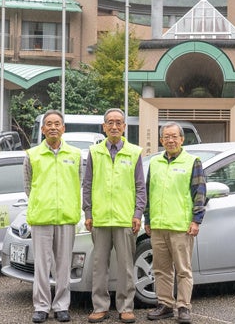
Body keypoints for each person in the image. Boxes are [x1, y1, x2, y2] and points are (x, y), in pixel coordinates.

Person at [82, 108, 146, 324]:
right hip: (99, 218)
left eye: (119, 122)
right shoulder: (94, 151)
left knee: (126, 266)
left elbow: (140, 187)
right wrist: (88, 212)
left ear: (124, 126)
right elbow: (87, 184)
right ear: (104, 126)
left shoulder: (134, 152)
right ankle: (100, 307)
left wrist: (138, 213)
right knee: (100, 266)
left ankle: (126, 307)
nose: (114, 126)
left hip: (125, 218)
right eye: (110, 122)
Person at [144, 122, 206, 324]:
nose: (170, 140)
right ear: (161, 140)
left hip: (181, 226)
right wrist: (148, 219)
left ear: (181, 139)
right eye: (166, 137)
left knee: (183, 270)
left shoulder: (192, 161)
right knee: (161, 269)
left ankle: (183, 307)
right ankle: (165, 304)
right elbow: (148, 193)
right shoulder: (155, 163)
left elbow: (200, 193)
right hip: (158, 226)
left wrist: (196, 220)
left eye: (174, 136)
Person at [24, 110, 82, 323]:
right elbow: (28, 186)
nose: (53, 127)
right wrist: (42, 202)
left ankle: (61, 306)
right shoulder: (32, 155)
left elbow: (80, 182)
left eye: (57, 123)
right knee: (41, 266)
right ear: (42, 129)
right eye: (49, 124)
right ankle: (41, 306)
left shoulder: (75, 154)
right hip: (42, 217)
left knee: (64, 265)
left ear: (63, 128)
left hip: (67, 217)